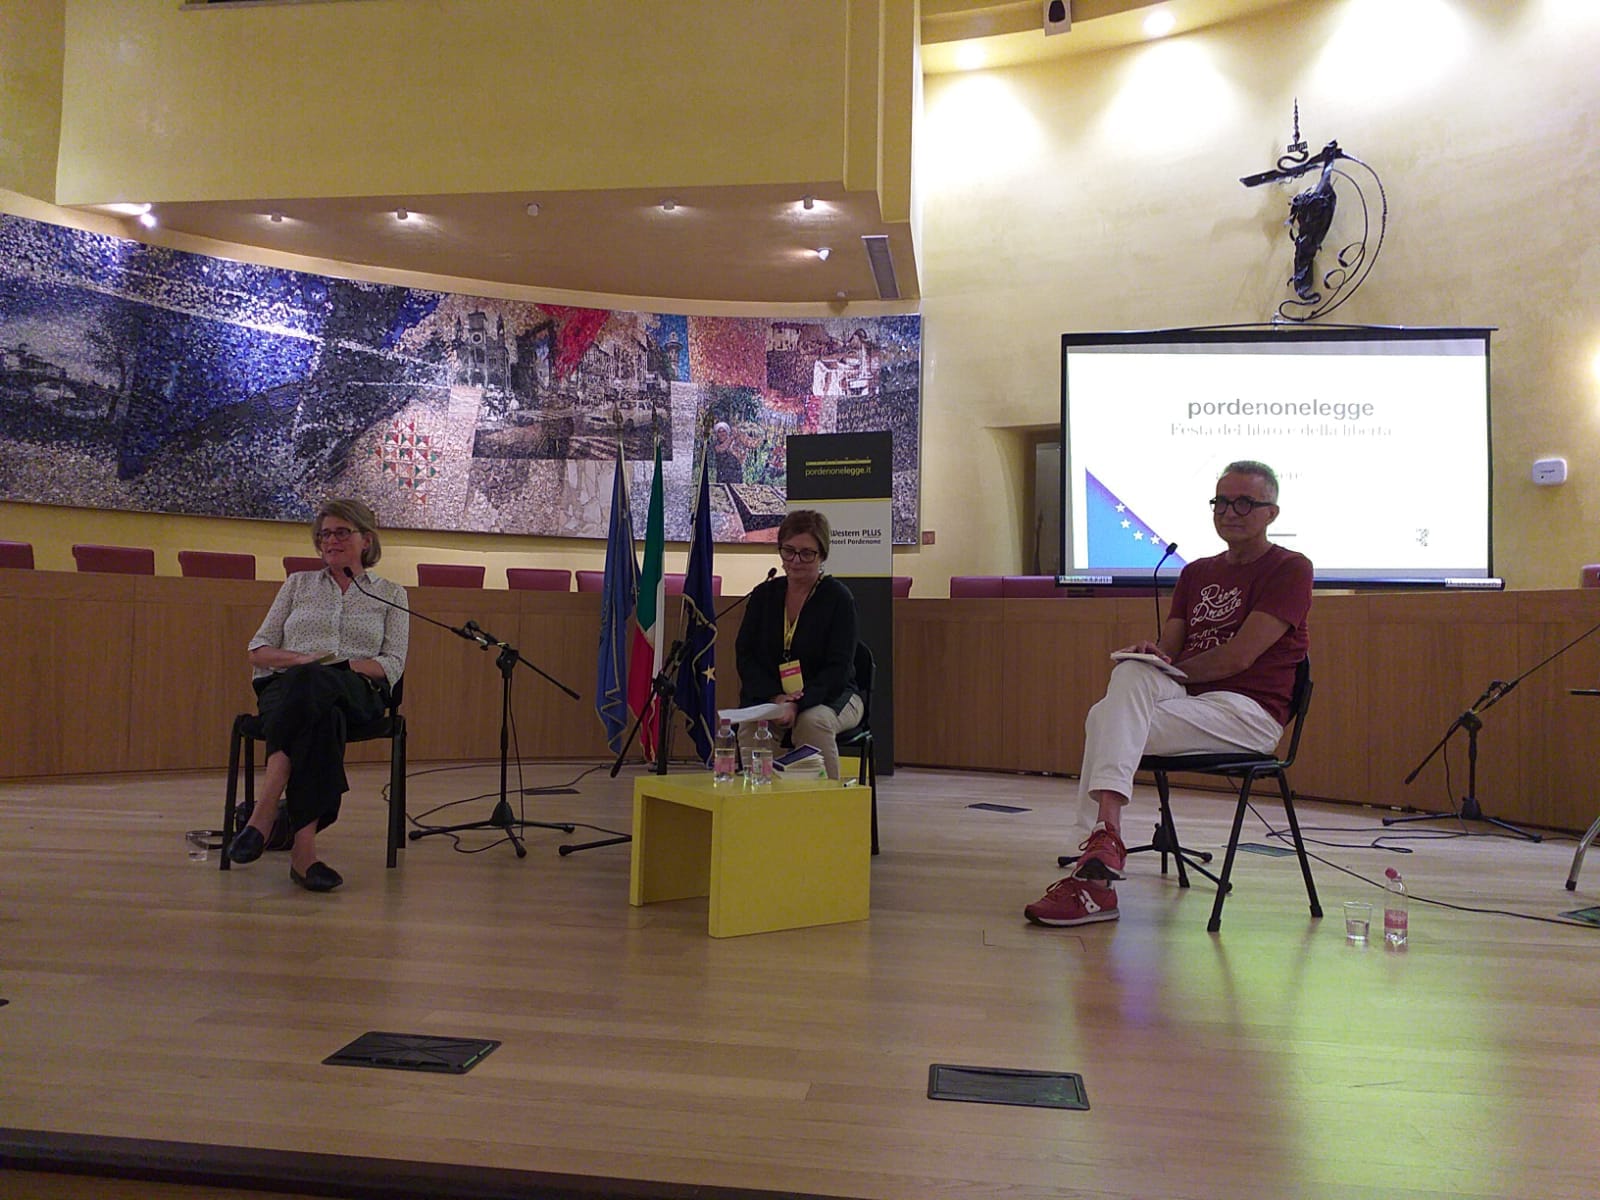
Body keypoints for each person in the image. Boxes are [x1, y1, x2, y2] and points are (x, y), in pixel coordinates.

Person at [1025, 460, 1312, 927]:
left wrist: (1169, 671)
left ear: (1271, 513)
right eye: (1221, 501)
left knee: (1104, 719)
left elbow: (1239, 657)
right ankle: (1104, 844)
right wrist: (1152, 657)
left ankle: (1095, 869)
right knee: (1131, 673)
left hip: (1248, 712)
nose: (1229, 512)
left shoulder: (1290, 568)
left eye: (1244, 502)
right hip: (1191, 703)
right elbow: (1171, 648)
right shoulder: (1195, 573)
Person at [226, 498, 409, 892]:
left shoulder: (391, 594)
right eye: (324, 534)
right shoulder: (297, 584)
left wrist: (338, 667)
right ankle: (304, 853)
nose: (330, 541)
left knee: (318, 683)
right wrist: (301, 660)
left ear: (366, 540)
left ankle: (265, 810)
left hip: (357, 690)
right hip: (288, 688)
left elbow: (392, 663)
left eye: (342, 532)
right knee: (322, 712)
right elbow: (258, 650)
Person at [735, 509, 863, 780]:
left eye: (806, 553)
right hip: (776, 696)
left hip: (834, 696)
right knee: (751, 725)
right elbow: (746, 656)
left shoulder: (839, 599)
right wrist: (776, 698)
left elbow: (838, 669)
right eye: (789, 551)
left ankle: (822, 800)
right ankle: (762, 796)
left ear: (822, 555)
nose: (795, 560)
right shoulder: (763, 595)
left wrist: (798, 703)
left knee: (811, 722)